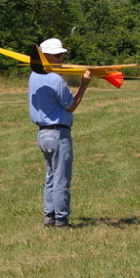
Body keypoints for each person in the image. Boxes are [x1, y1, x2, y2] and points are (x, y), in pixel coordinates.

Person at [28, 38, 92, 228]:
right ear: (45, 56)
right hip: (57, 134)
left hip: (43, 135)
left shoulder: (34, 75)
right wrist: (84, 84)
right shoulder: (55, 79)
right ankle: (61, 220)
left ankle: (49, 217)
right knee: (61, 179)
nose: (61, 58)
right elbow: (71, 105)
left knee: (51, 177)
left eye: (62, 54)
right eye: (57, 55)